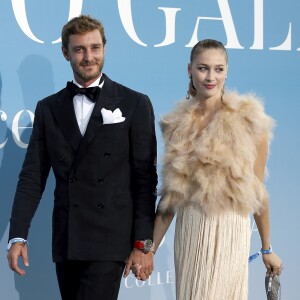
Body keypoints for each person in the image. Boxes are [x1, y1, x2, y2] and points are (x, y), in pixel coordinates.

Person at [7, 14, 157, 300]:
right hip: (67, 240)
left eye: (95, 48)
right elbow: (32, 177)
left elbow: (144, 180)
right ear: (66, 53)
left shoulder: (134, 103)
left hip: (109, 240)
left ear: (104, 48)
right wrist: (17, 236)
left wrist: (143, 244)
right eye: (79, 49)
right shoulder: (48, 108)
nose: (89, 57)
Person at [151, 39, 283, 299]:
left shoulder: (249, 121)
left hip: (229, 231)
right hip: (189, 230)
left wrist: (267, 248)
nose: (211, 77)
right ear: (189, 69)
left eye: (218, 69)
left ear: (227, 71)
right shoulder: (175, 124)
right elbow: (169, 199)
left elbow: (257, 191)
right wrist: (149, 250)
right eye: (203, 68)